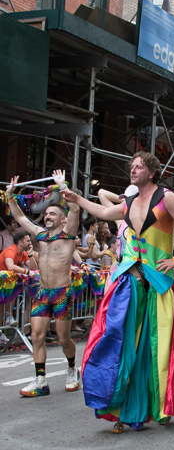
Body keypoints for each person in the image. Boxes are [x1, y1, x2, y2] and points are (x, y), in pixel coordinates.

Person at [62, 151, 174, 433]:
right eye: (132, 167)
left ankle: (153, 406)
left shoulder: (167, 198)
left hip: (159, 286)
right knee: (120, 344)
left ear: (152, 171)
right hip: (130, 281)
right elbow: (100, 211)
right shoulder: (130, 202)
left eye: (138, 167)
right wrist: (76, 199)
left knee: (156, 350)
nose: (133, 170)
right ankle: (120, 408)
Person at [6, 170, 80, 397]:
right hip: (42, 292)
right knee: (37, 336)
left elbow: (75, 208)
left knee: (63, 338)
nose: (47, 216)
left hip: (61, 293)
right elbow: (20, 218)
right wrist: (10, 196)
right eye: (46, 213)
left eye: (52, 214)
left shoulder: (68, 235)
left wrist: (63, 186)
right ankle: (41, 381)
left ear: (62, 219)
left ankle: (71, 370)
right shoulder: (39, 235)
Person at [0, 232, 37, 327]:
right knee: (0, 309)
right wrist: (27, 272)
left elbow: (33, 268)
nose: (30, 243)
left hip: (9, 284)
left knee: (14, 294)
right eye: (28, 240)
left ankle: (8, 317)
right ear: (20, 242)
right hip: (2, 283)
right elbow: (10, 266)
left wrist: (30, 255)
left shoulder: (23, 253)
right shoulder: (10, 251)